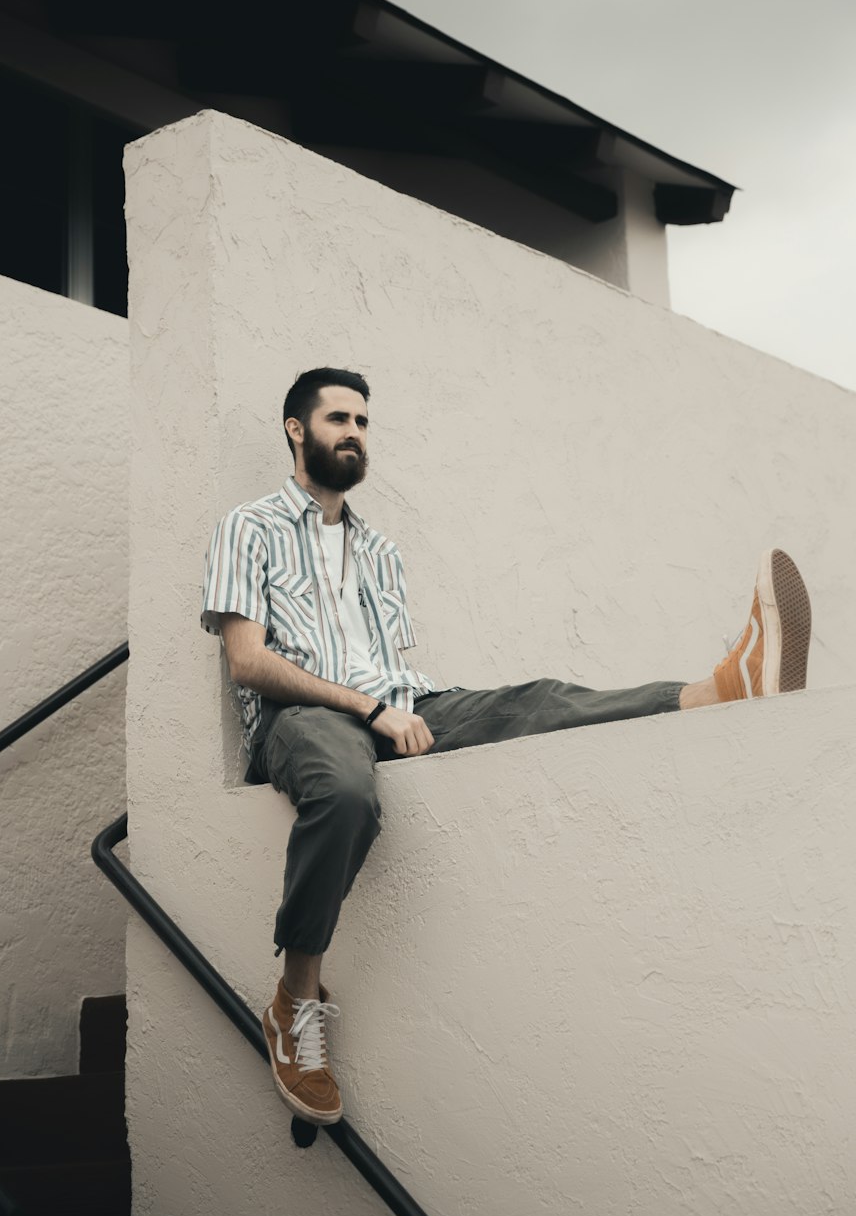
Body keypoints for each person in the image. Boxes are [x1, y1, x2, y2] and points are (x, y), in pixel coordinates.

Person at [200, 367, 812, 1127]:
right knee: (347, 791)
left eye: (363, 421)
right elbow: (248, 661)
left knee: (538, 700)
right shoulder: (248, 526)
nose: (354, 433)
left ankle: (720, 688)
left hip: (400, 703)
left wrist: (404, 709)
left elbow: (394, 667)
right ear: (297, 429)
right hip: (304, 717)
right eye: (338, 420)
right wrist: (368, 707)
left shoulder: (380, 551)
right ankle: (296, 999)